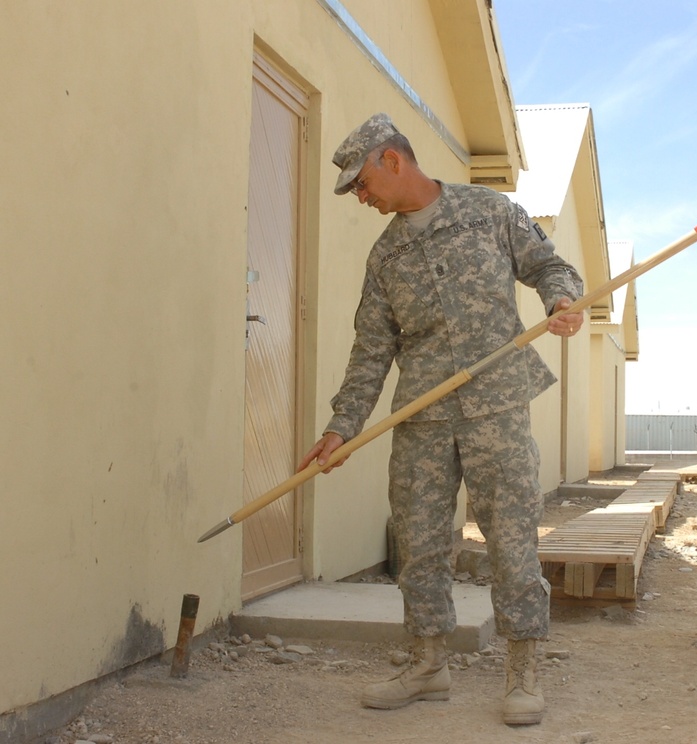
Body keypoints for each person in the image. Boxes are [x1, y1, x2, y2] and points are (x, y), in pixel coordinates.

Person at [297, 112, 584, 726]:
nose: (363, 199)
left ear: (392, 161)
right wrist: (342, 428)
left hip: (497, 408)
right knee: (420, 545)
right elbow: (372, 348)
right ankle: (428, 664)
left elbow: (547, 265)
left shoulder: (489, 212)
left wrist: (562, 299)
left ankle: (523, 668)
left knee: (511, 541)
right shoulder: (386, 257)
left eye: (364, 185)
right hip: (423, 415)